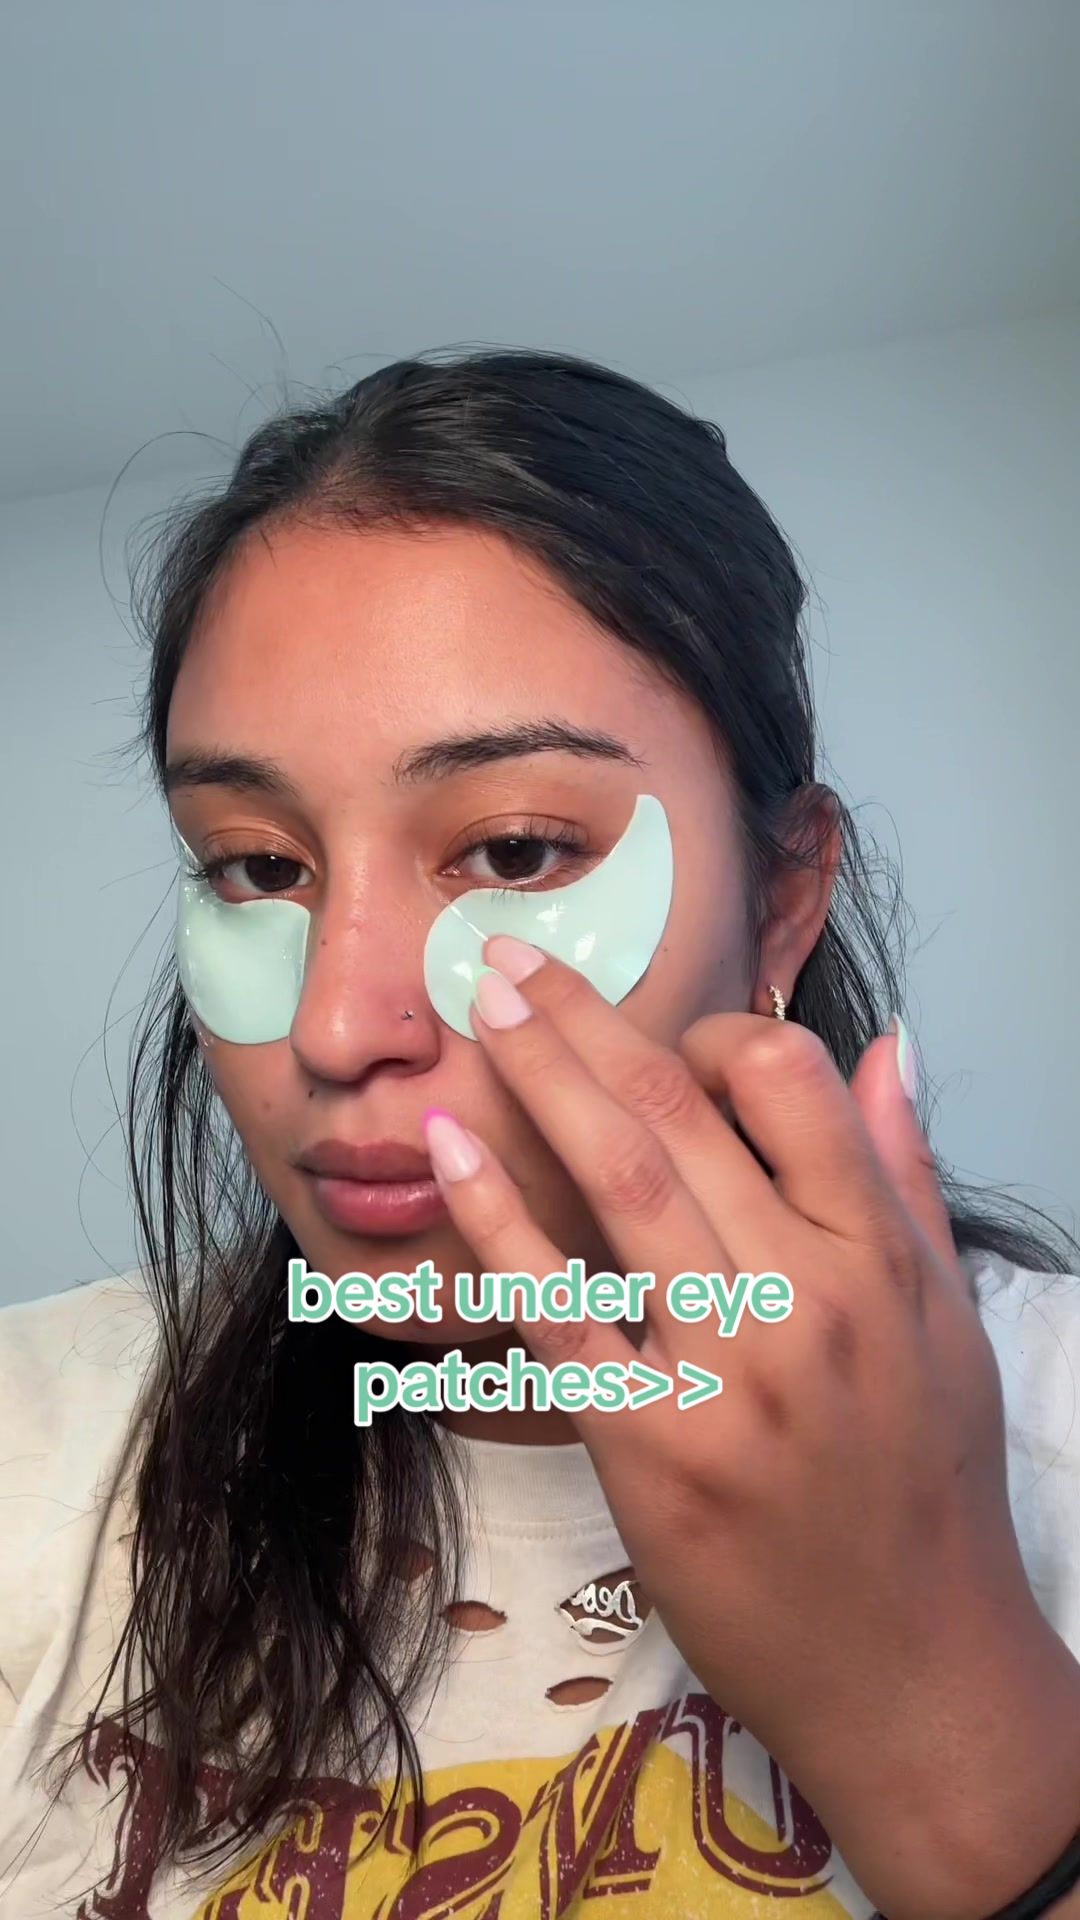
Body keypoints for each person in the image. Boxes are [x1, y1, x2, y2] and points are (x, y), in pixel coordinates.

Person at [1, 348, 1078, 1920]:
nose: (336, 1025)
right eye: (257, 866)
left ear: (784, 899)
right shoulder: (35, 1452)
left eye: (512, 852)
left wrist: (932, 1706)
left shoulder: (1055, 1416)